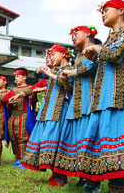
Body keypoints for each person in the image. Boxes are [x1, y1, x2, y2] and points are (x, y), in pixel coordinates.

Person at [79, 0, 124, 192]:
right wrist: (93, 57)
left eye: (106, 10)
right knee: (99, 138)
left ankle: (119, 185)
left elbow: (116, 54)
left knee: (117, 138)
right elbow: (105, 62)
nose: (102, 14)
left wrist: (96, 48)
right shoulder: (110, 38)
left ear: (121, 11)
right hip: (103, 94)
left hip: (121, 94)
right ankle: (93, 184)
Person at [52, 26, 98, 192]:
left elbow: (93, 67)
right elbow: (71, 89)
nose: (73, 37)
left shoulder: (94, 51)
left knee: (90, 142)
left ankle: (93, 181)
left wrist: (71, 73)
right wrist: (65, 80)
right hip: (76, 105)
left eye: (75, 34)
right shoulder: (78, 56)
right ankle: (83, 176)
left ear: (88, 34)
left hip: (90, 103)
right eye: (71, 36)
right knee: (77, 141)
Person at [22, 44, 73, 187]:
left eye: (53, 54)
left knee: (56, 141)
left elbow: (66, 84)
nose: (51, 58)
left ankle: (61, 178)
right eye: (49, 56)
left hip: (60, 109)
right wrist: (41, 70)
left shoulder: (69, 69)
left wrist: (50, 73)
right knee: (46, 139)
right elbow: (37, 75)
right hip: (48, 109)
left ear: (63, 54)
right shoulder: (55, 70)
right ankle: (54, 174)